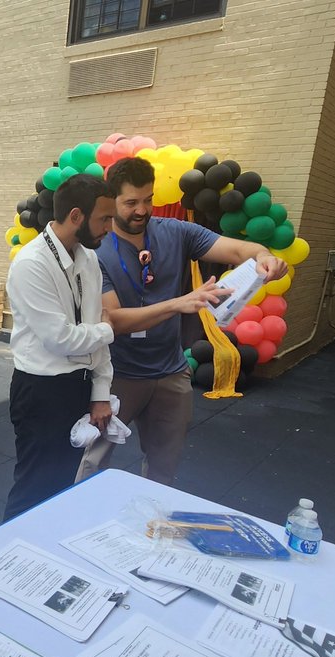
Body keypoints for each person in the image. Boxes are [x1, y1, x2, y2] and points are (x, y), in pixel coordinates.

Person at [77, 157, 288, 485]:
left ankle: (153, 529)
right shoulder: (96, 250)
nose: (142, 210)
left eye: (147, 200)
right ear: (110, 200)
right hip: (115, 376)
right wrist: (181, 303)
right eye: (131, 202)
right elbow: (115, 320)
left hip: (170, 373)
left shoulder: (174, 231)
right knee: (93, 461)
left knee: (164, 468)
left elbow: (237, 250)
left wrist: (263, 255)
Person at [4, 174, 116, 520]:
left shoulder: (88, 259)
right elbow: (61, 339)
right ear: (77, 216)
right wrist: (106, 330)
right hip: (41, 390)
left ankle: (43, 559)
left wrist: (100, 391)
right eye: (104, 218)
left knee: (62, 485)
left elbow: (91, 327)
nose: (109, 228)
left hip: (77, 385)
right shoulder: (31, 263)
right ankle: (10, 561)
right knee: (33, 489)